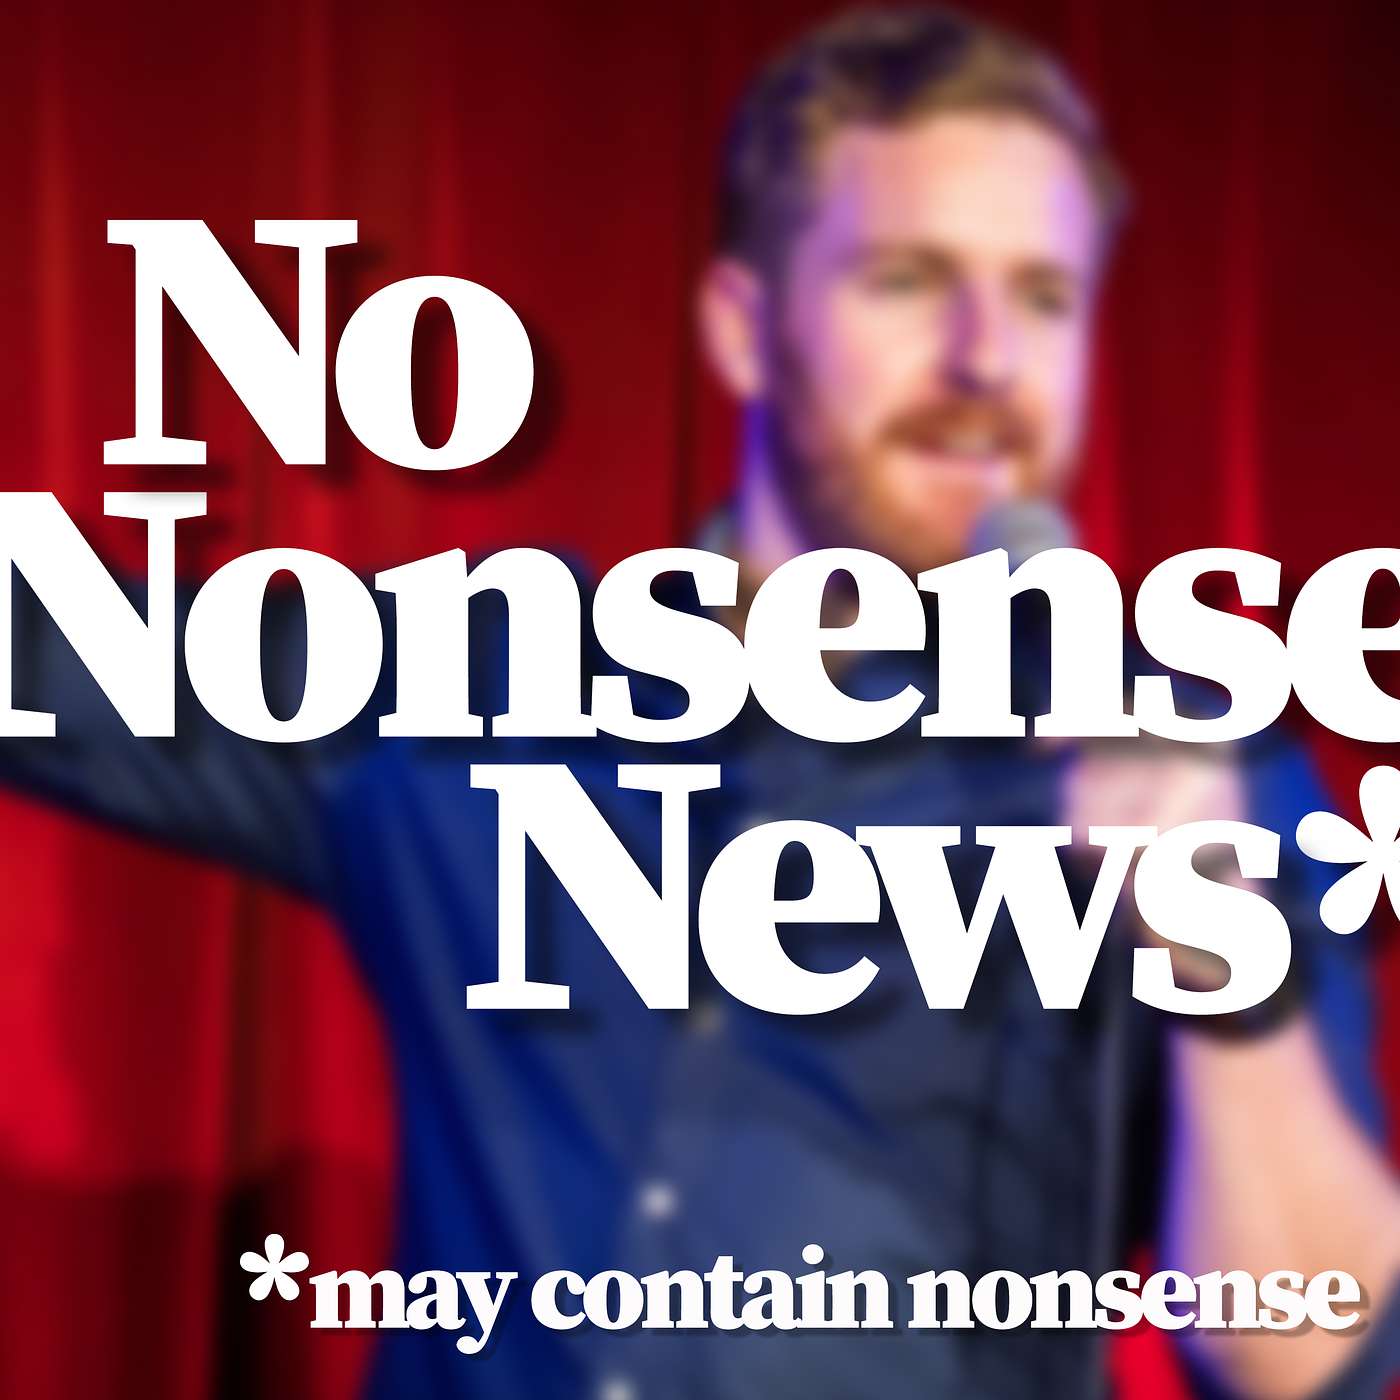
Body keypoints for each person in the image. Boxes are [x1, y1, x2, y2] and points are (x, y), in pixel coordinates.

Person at [4, 6, 1399, 1398]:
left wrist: (1229, 975)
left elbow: (1308, 1357)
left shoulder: (1196, 767)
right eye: (909, 280)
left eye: (1044, 296)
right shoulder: (475, 681)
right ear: (743, 329)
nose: (987, 358)